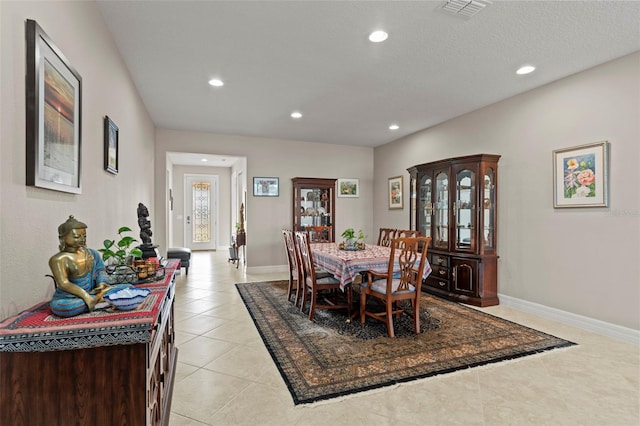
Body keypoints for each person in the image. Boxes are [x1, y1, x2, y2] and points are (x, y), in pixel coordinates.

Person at [48, 216, 128, 317]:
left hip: (94, 292)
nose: (82, 239)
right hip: (69, 298)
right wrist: (86, 296)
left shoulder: (92, 253)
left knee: (127, 288)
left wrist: (101, 284)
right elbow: (64, 284)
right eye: (77, 236)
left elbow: (100, 271)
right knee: (64, 308)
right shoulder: (58, 259)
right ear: (62, 238)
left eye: (84, 236)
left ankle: (97, 300)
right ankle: (102, 300)